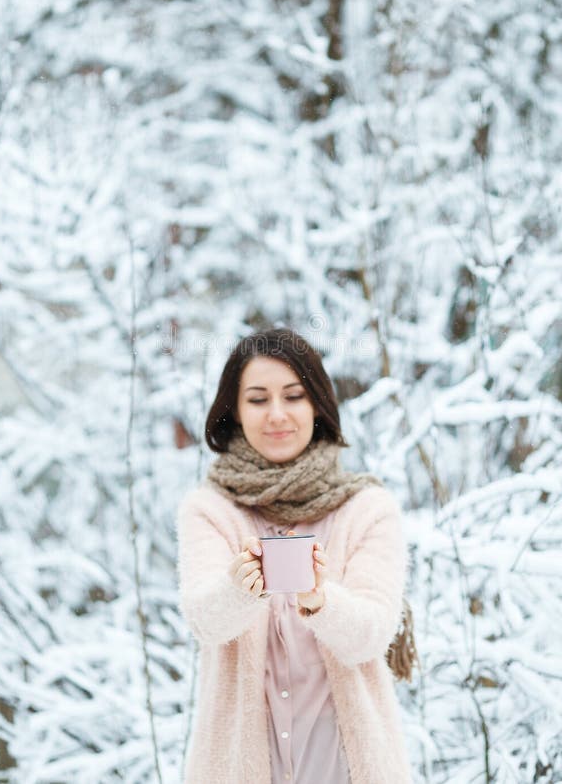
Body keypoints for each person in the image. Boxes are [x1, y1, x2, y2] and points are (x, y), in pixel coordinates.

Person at [177, 327, 415, 784]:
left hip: (346, 769)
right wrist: (240, 586)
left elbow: (371, 633)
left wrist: (320, 600)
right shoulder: (210, 510)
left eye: (294, 396)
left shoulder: (365, 509)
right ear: (234, 410)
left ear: (318, 406)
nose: (277, 414)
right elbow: (204, 618)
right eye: (258, 399)